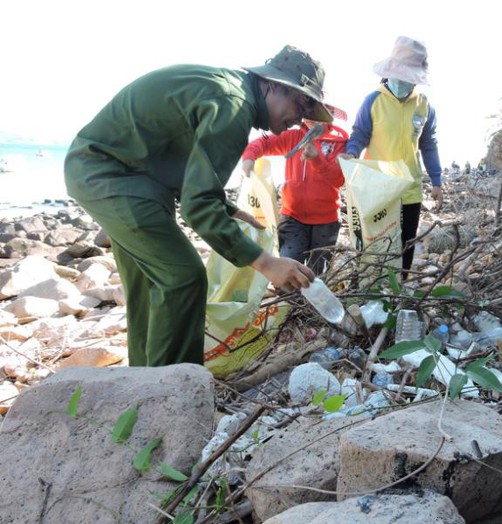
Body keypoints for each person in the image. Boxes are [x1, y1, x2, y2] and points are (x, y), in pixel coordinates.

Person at [64, 45, 333, 367]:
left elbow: (188, 169)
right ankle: (169, 388)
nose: (299, 120)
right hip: (113, 175)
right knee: (184, 277)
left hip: (124, 175)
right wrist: (265, 263)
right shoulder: (234, 106)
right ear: (274, 85)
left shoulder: (228, 92)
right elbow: (197, 205)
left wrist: (228, 208)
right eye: (301, 104)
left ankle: (140, 383)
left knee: (150, 284)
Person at [340, 36, 443, 275]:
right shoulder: (373, 101)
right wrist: (351, 153)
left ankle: (399, 296)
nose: (404, 82)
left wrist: (436, 181)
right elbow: (359, 134)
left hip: (409, 190)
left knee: (405, 247)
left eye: (410, 77)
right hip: (376, 188)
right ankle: (371, 291)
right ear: (391, 72)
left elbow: (429, 144)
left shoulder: (424, 105)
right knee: (374, 246)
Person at [241, 118, 348, 274]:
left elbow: (338, 180)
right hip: (292, 217)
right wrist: (249, 157)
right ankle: (289, 298)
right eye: (308, 110)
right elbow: (263, 142)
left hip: (327, 220)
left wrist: (316, 159)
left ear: (329, 113)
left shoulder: (339, 143)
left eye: (318, 111)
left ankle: (308, 299)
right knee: (289, 267)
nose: (312, 116)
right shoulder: (294, 137)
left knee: (319, 273)